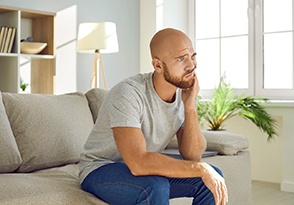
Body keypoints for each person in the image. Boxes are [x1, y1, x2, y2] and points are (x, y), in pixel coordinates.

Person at [79, 28, 228, 205]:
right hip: (100, 169)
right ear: (157, 65)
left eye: (192, 56)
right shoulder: (128, 93)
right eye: (181, 59)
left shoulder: (183, 94)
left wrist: (190, 107)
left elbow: (193, 155)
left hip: (140, 172)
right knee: (155, 186)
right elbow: (138, 163)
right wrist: (200, 168)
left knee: (212, 176)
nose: (191, 65)